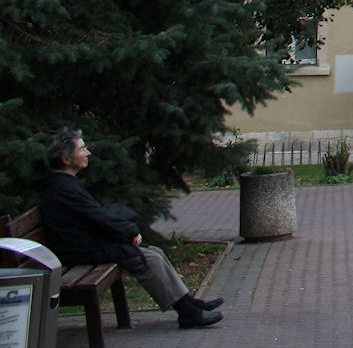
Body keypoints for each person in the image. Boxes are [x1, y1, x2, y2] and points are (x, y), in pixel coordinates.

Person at [32, 129, 223, 330]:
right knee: (148, 259)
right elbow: (97, 217)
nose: (88, 153)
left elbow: (93, 217)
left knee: (154, 252)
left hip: (81, 244)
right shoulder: (63, 188)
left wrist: (125, 231)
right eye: (82, 149)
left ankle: (188, 302)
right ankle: (187, 312)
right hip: (77, 250)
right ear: (65, 159)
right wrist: (130, 231)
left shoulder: (64, 184)